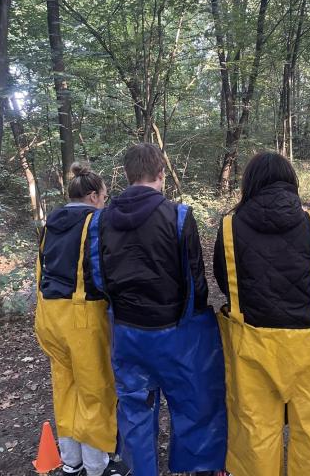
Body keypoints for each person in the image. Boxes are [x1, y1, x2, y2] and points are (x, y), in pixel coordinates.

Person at [87, 143, 227, 476]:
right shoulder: (178, 215)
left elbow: (98, 277)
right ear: (161, 174)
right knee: (193, 403)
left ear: (126, 174)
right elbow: (195, 280)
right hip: (176, 331)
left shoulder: (100, 220)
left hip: (127, 331)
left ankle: (142, 470)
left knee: (136, 410)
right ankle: (199, 468)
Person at [213, 151, 310, 476]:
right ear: (291, 181)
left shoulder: (230, 226)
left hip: (251, 347)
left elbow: (225, 279)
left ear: (250, 184)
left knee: (255, 435)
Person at [35, 163, 123, 476]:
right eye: (104, 197)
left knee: (65, 388)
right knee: (95, 392)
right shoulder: (96, 222)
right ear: (93, 196)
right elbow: (106, 273)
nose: (104, 202)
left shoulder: (50, 224)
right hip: (82, 318)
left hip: (49, 316)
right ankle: (97, 466)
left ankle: (71, 461)